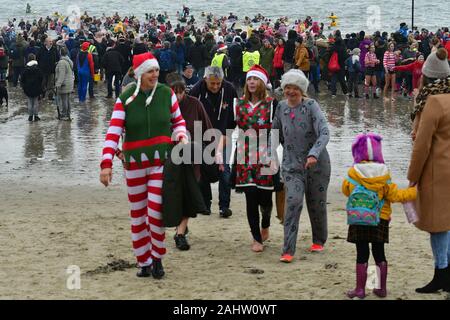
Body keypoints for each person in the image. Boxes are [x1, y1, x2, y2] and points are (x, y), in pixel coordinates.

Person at [100, 52, 188, 279]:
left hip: (160, 164)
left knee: (155, 212)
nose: (155, 75)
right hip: (135, 166)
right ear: (140, 74)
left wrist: (180, 135)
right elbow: (113, 132)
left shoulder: (166, 93)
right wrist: (106, 163)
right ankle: (144, 261)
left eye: (157, 70)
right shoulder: (126, 98)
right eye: (150, 71)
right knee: (138, 216)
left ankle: (158, 258)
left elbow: (178, 121)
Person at [342, 133, 417, 299]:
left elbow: (346, 190)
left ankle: (360, 290)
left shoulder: (353, 172)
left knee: (362, 254)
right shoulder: (384, 174)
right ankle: (379, 288)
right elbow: (394, 195)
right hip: (380, 219)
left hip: (359, 218)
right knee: (379, 253)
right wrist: (414, 192)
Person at [271, 69, 331, 262]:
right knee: (294, 203)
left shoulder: (311, 105)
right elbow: (274, 134)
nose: (290, 91)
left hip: (317, 165)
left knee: (316, 205)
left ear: (302, 89)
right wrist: (269, 155)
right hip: (291, 166)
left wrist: (314, 153)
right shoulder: (280, 107)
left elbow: (324, 132)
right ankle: (288, 250)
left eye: (295, 88)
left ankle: (319, 240)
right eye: (287, 87)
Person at [407, 49, 450, 293]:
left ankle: (441, 273)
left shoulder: (432, 101)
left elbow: (422, 145)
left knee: (437, 225)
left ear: (427, 77)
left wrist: (412, 176)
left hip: (437, 173)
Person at [231, 65, 277, 252]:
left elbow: (277, 131)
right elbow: (226, 127)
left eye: (255, 79)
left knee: (265, 197)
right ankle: (256, 238)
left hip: (265, 154)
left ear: (263, 83)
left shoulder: (272, 104)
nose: (251, 82)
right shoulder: (238, 104)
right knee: (250, 196)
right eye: (249, 79)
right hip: (244, 153)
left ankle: (265, 222)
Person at [165, 72, 213, 251]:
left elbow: (207, 130)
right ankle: (180, 227)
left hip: (192, 159)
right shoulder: (161, 107)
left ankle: (179, 233)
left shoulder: (195, 104)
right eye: (174, 92)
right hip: (168, 160)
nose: (178, 96)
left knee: (187, 195)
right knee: (173, 196)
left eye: (181, 91)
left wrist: (212, 155)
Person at [189, 66, 238, 218]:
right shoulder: (196, 91)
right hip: (201, 135)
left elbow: (234, 117)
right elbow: (191, 115)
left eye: (218, 83)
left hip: (224, 134)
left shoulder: (229, 89)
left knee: (224, 170)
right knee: (203, 170)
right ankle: (205, 204)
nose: (216, 86)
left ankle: (224, 206)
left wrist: (225, 137)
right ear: (205, 80)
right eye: (212, 84)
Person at [21, 53, 43, 121]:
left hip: (28, 88)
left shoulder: (26, 69)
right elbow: (41, 78)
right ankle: (36, 116)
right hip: (36, 88)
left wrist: (24, 87)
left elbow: (22, 79)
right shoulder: (38, 68)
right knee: (35, 102)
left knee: (30, 102)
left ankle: (30, 116)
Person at [54, 47, 74, 121]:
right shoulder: (68, 60)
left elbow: (61, 75)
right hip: (69, 82)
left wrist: (58, 84)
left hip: (64, 84)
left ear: (60, 53)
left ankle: (64, 114)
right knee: (67, 99)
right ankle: (68, 114)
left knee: (64, 100)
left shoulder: (62, 62)